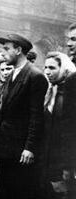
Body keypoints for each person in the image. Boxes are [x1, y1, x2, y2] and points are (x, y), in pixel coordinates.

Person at [0, 33, 48, 199]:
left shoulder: (35, 76)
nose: (3, 53)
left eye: (7, 49)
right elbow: (2, 114)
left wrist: (29, 147)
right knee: (6, 197)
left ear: (18, 50)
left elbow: (37, 116)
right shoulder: (12, 75)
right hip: (4, 149)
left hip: (21, 151)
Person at [42, 52, 76, 183]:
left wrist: (67, 165)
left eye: (52, 68)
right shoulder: (50, 90)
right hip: (49, 153)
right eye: (45, 67)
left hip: (64, 157)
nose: (47, 72)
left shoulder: (69, 92)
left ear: (63, 68)